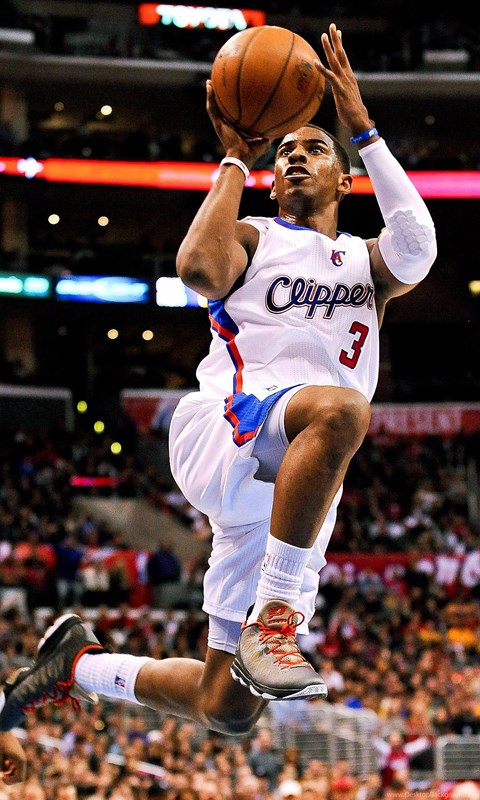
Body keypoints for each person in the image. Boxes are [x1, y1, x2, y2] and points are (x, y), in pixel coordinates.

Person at [0, 23, 436, 736]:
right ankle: (275, 620)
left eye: (314, 149)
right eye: (285, 151)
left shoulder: (370, 264)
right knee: (344, 411)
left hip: (295, 490)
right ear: (272, 176)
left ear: (345, 178)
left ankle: (77, 664)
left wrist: (363, 128)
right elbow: (197, 267)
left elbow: (419, 247)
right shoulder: (256, 236)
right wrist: (235, 158)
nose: (295, 156)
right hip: (228, 426)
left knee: (227, 706)